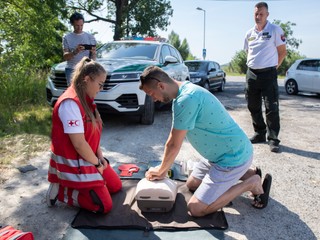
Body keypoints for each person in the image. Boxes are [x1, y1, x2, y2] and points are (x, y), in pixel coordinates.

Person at [139, 66, 273, 217]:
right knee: (191, 184)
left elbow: (173, 144)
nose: (153, 99)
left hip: (231, 158)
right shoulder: (185, 89)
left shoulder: (186, 99)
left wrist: (161, 170)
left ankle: (252, 183)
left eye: (151, 94)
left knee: (196, 208)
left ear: (161, 85)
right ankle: (249, 173)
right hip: (218, 156)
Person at [46, 57, 122, 214]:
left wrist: (100, 157)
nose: (100, 89)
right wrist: (97, 165)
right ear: (87, 79)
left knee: (116, 187)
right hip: (75, 164)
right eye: (100, 85)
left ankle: (84, 185)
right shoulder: (70, 103)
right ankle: (62, 190)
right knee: (104, 206)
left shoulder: (87, 100)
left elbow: (93, 135)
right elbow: (79, 144)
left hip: (88, 157)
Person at [244, 2, 287, 153]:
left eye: (261, 14)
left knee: (271, 107)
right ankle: (259, 133)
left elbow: (282, 52)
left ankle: (273, 138)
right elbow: (248, 52)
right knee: (253, 105)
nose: (258, 16)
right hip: (252, 74)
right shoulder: (249, 34)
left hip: (268, 74)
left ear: (267, 15)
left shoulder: (275, 30)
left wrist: (273, 68)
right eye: (256, 13)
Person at [63, 12, 97, 85]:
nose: (79, 28)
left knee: (84, 93)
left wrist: (93, 53)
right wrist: (75, 51)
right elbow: (65, 57)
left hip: (85, 69)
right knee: (73, 93)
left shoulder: (90, 37)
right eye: (77, 25)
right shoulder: (67, 37)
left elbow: (93, 58)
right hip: (71, 69)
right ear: (72, 24)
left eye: (81, 25)